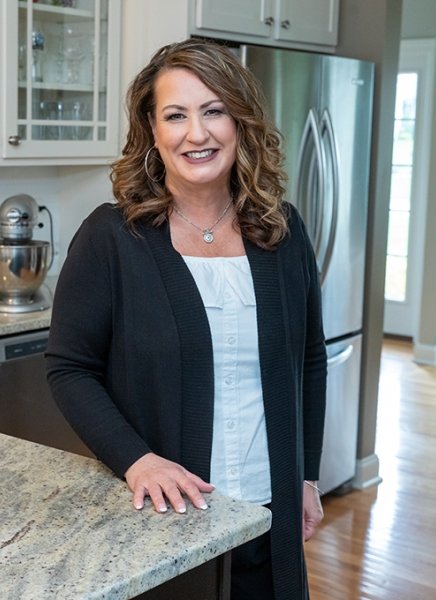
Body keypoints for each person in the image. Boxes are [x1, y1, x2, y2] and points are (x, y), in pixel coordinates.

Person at [46, 38, 327, 600]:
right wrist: (138, 461)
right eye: (176, 115)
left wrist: (305, 474)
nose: (196, 134)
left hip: (267, 512)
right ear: (153, 131)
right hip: (164, 516)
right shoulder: (112, 237)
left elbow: (310, 362)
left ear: (240, 121)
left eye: (213, 111)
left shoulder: (282, 231)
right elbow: (70, 368)